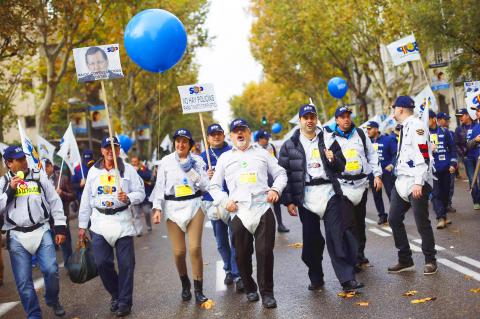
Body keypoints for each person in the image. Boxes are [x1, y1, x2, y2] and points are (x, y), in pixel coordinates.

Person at [278, 104, 363, 292]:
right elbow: (283, 173)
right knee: (311, 241)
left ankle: (347, 278)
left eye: (312, 117)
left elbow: (341, 165)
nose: (309, 120)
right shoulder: (289, 145)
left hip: (329, 192)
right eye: (305, 117)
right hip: (306, 197)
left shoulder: (328, 139)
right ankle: (316, 276)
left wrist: (333, 159)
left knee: (337, 236)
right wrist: (289, 200)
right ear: (300, 120)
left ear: (316, 119)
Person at [209, 119, 287, 309]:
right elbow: (214, 186)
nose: (239, 134)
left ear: (249, 133)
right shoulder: (224, 158)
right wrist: (225, 201)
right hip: (239, 210)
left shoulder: (263, 154)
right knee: (241, 255)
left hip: (263, 207)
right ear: (231, 136)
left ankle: (267, 293)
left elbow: (281, 173)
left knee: (265, 252)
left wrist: (275, 190)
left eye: (242, 130)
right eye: (235, 131)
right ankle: (250, 287)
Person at [78, 136, 145, 317]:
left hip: (122, 220)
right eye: (107, 148)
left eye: (114, 148)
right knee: (102, 263)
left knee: (126, 264)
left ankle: (124, 302)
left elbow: (141, 192)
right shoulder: (93, 171)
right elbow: (85, 200)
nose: (110, 151)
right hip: (99, 222)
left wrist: (129, 198)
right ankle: (116, 294)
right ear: (102, 150)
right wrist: (82, 226)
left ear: (118, 150)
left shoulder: (128, 170)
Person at [0, 145, 67, 317]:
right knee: (23, 282)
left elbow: (54, 201)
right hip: (16, 235)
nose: (24, 162)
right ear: (9, 163)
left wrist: (60, 227)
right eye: (19, 160)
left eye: (24, 158)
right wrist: (10, 191)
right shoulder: (3, 183)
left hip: (41, 230)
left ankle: (52, 299)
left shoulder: (39, 177)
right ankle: (34, 315)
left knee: (51, 270)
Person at [150, 129, 210, 305]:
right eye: (178, 141)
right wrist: (157, 208)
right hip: (173, 208)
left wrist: (190, 171)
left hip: (194, 205)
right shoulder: (166, 162)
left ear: (190, 144)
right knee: (179, 252)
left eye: (184, 141)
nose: (180, 144)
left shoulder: (198, 161)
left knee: (194, 249)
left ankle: (199, 290)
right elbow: (160, 186)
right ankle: (185, 284)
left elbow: (205, 185)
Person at [326, 106, 382, 270]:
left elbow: (372, 155)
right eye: (342, 117)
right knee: (348, 224)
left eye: (348, 116)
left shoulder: (361, 133)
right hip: (343, 187)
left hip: (361, 184)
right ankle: (352, 257)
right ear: (336, 120)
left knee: (359, 223)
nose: (346, 119)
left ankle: (360, 254)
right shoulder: (330, 137)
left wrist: (377, 175)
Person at [387, 96, 437, 275]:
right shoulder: (405, 127)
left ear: (400, 109)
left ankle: (431, 260)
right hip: (401, 181)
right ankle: (405, 260)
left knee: (421, 222)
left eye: (394, 109)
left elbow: (423, 155)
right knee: (393, 219)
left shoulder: (416, 126)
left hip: (417, 181)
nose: (393, 112)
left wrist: (418, 182)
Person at [200, 124, 244, 291]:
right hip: (213, 202)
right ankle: (227, 268)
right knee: (221, 240)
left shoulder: (234, 151)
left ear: (224, 135)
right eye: (212, 134)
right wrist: (206, 176)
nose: (216, 137)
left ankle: (237, 272)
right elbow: (197, 182)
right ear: (208, 137)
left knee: (236, 237)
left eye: (218, 134)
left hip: (233, 200)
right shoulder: (203, 156)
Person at [256, 129, 290, 232]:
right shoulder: (255, 150)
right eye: (265, 138)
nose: (267, 140)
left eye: (267, 138)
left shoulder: (272, 147)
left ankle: (280, 224)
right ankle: (263, 228)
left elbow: (277, 160)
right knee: (263, 204)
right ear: (259, 139)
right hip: (260, 179)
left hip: (272, 178)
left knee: (276, 201)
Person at [428, 110, 457, 229]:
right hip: (432, 170)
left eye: (428, 119)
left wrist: (453, 164)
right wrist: (429, 148)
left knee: (445, 193)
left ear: (434, 119)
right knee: (436, 194)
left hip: (445, 168)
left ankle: (444, 214)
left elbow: (453, 148)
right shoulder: (424, 134)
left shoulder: (445, 132)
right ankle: (440, 217)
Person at [44, 159, 76, 263]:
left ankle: (69, 264)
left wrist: (62, 193)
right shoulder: (38, 181)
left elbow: (73, 195)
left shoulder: (62, 178)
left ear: (51, 166)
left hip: (61, 216)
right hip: (45, 219)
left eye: (47, 166)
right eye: (42, 167)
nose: (45, 169)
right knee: (49, 245)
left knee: (65, 243)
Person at [366, 121, 397, 225]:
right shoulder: (367, 141)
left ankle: (394, 216)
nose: (368, 131)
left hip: (386, 171)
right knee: (376, 194)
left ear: (376, 129)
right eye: (367, 129)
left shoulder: (388, 139)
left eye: (370, 129)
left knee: (390, 193)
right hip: (373, 173)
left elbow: (395, 154)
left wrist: (392, 165)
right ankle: (382, 215)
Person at [454, 108, 480, 209]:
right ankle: (476, 201)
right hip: (468, 158)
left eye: (461, 116)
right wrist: (463, 154)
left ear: (467, 115)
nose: (460, 118)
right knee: (472, 179)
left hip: (477, 156)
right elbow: (456, 144)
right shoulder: (458, 129)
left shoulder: (476, 126)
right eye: (459, 117)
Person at [437, 112, 456, 213]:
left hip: (447, 165)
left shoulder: (448, 132)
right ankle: (440, 208)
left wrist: (453, 162)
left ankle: (447, 204)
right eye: (445, 119)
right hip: (436, 167)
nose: (448, 121)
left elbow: (453, 148)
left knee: (449, 186)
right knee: (437, 189)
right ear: (439, 120)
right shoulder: (429, 133)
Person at [130, 156, 154, 236]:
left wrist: (138, 172)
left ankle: (149, 226)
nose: (134, 163)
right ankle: (138, 231)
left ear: (139, 162)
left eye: (135, 161)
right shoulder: (129, 170)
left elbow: (148, 176)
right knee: (136, 214)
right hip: (134, 196)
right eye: (132, 161)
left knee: (147, 212)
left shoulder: (143, 168)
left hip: (144, 195)